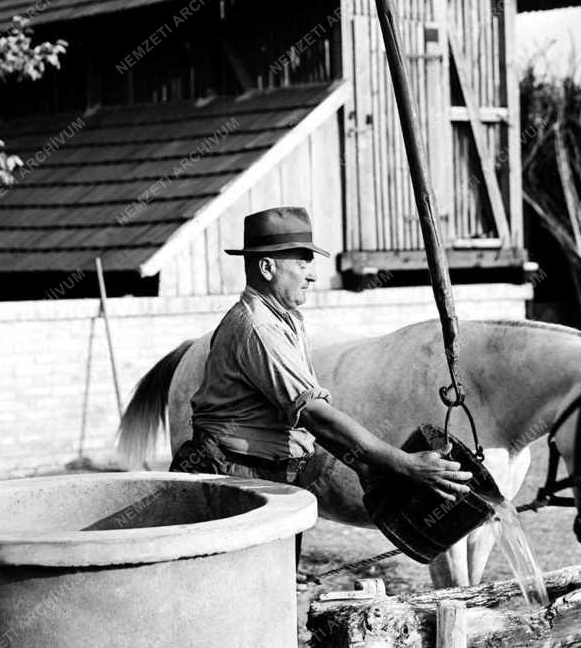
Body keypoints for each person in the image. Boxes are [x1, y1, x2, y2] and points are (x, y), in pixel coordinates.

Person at [169, 207, 472, 524]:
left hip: (264, 470)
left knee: (276, 572)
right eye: (302, 262)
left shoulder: (287, 319)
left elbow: (304, 415)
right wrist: (402, 464)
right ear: (267, 267)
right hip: (234, 472)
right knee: (249, 573)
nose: (312, 275)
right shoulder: (258, 329)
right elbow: (314, 414)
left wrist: (363, 464)